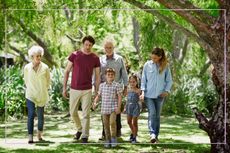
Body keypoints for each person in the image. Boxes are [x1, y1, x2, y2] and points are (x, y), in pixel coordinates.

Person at [62, 35, 100, 143]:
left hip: (87, 89)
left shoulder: (95, 58)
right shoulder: (74, 55)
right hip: (74, 88)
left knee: (86, 114)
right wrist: (64, 88)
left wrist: (96, 91)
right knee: (72, 112)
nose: (88, 47)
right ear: (83, 44)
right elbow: (66, 71)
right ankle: (79, 129)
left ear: (92, 45)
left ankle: (85, 135)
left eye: (90, 45)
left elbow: (97, 76)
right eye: (86, 44)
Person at [140, 47, 173, 143]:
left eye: (155, 58)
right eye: (152, 57)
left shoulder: (165, 66)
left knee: (157, 116)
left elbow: (169, 81)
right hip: (148, 95)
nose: (153, 60)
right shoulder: (147, 65)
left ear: (160, 57)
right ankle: (152, 134)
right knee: (152, 113)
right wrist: (142, 93)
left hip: (160, 96)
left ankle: (156, 137)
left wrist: (166, 91)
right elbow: (143, 80)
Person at [99, 38, 128, 139]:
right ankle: (104, 133)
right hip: (105, 88)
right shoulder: (101, 59)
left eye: (110, 47)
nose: (108, 49)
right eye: (106, 47)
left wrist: (126, 87)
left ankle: (118, 131)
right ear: (104, 48)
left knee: (117, 110)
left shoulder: (119, 59)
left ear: (113, 48)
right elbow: (98, 74)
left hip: (116, 88)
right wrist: (96, 86)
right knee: (104, 111)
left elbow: (124, 73)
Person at [24, 45, 51, 144]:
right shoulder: (27, 68)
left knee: (40, 117)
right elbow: (26, 81)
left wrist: (43, 89)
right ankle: (30, 137)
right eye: (37, 56)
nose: (39, 58)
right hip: (30, 94)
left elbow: (48, 81)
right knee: (31, 114)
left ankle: (39, 134)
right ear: (32, 56)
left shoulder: (45, 67)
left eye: (40, 56)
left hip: (41, 94)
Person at [93, 68, 122, 148]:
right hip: (104, 109)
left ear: (114, 76)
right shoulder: (102, 85)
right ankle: (107, 139)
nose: (110, 76)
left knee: (112, 123)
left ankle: (113, 138)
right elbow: (98, 95)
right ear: (105, 76)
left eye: (112, 75)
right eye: (108, 75)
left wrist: (119, 107)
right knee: (105, 125)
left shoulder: (117, 85)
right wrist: (95, 102)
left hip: (113, 108)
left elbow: (119, 97)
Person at [123, 74, 141, 143]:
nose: (132, 83)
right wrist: (125, 107)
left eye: (133, 82)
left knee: (135, 123)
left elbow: (140, 100)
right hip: (129, 107)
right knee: (129, 122)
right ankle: (133, 133)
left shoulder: (138, 91)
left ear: (136, 82)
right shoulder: (128, 90)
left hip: (135, 107)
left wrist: (140, 105)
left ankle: (134, 137)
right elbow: (127, 99)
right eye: (130, 82)